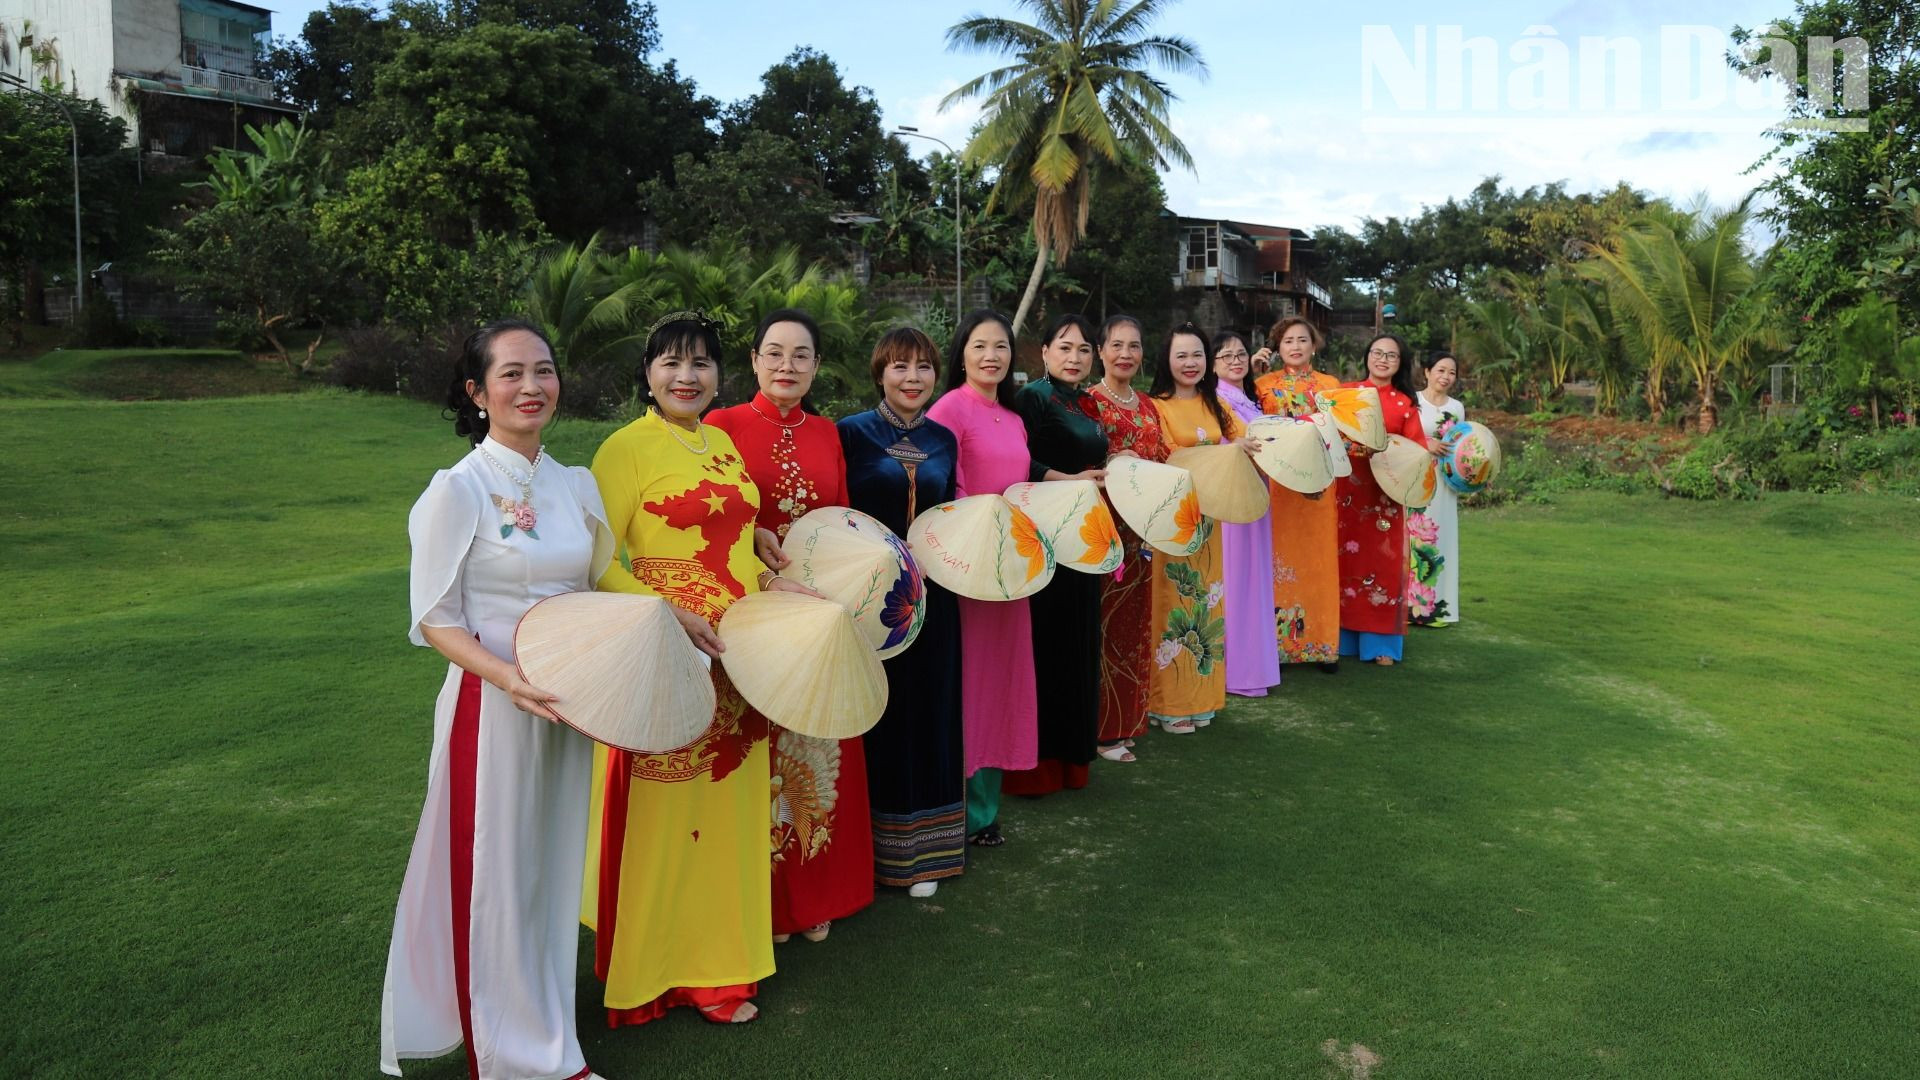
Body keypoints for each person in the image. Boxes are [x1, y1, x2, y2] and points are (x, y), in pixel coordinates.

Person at [381, 320, 611, 1080]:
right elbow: (437, 622)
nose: (532, 387)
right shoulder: (458, 490)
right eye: (511, 374)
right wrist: (509, 679)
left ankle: (546, 1022)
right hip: (497, 706)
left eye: (543, 371)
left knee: (550, 866)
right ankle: (518, 1056)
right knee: (499, 876)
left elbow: (591, 588)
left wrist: (668, 616)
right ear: (478, 393)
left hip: (570, 702)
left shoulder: (573, 483)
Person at [584, 313, 815, 1027]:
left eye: (701, 364)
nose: (686, 376)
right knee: (664, 815)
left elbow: (734, 537)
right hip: (666, 659)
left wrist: (767, 555)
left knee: (727, 818)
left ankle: (721, 967)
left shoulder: (718, 443)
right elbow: (596, 564)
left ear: (721, 374)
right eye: (670, 363)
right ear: (647, 374)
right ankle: (656, 973)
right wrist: (668, 612)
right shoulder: (623, 450)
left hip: (737, 662)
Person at [708, 309, 873, 945]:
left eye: (800, 355)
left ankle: (813, 895)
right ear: (752, 361)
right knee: (757, 751)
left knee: (817, 746)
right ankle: (764, 899)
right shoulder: (721, 427)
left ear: (817, 366)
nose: (786, 365)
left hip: (819, 615)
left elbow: (843, 523)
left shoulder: (828, 432)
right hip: (748, 614)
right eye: (773, 353)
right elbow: (712, 522)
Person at [837, 328, 966, 898]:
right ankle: (876, 851)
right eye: (899, 367)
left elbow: (948, 511)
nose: (912, 378)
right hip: (869, 600)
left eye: (922, 368)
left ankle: (929, 856)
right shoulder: (851, 433)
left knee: (931, 709)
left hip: (934, 595)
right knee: (879, 710)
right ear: (880, 373)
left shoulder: (943, 438)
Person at [925, 309, 1039, 846]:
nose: (991, 355)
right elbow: (948, 484)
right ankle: (954, 806)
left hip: (1011, 568)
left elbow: (1021, 484)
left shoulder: (1013, 417)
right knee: (968, 679)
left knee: (1002, 680)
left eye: (1000, 346)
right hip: (969, 566)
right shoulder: (950, 409)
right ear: (961, 354)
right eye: (979, 346)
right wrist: (986, 529)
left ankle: (986, 810)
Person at [1003, 314, 1110, 795]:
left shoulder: (1087, 403)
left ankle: (1073, 761)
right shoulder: (1033, 398)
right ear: (1043, 352)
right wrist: (1066, 482)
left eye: (1084, 349)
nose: (1074, 357)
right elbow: (1017, 459)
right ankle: (1035, 767)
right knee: (1046, 646)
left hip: (1082, 535)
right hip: (1043, 532)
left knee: (1079, 643)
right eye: (1065, 348)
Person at [1145, 323, 1244, 733]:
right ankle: (1167, 704)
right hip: (1172, 518)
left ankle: (1201, 698)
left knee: (1206, 603)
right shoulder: (1155, 406)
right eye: (1182, 355)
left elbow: (1244, 437)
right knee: (1172, 605)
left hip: (1209, 518)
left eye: (1198, 355)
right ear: (1167, 360)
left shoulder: (1216, 404)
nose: (1190, 363)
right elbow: (1164, 456)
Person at [1083, 313, 1169, 761]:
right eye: (1116, 345)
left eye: (1133, 346)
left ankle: (1125, 721)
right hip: (1101, 529)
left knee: (1135, 626)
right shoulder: (1089, 403)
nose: (1125, 354)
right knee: (1103, 626)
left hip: (1142, 532)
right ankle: (1100, 729)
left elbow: (1164, 456)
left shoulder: (1149, 406)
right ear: (1100, 350)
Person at [1253, 316, 1342, 672]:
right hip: (1278, 485)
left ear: (1314, 345)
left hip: (1319, 484)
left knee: (1319, 561)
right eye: (1287, 340)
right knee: (1279, 562)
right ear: (1277, 347)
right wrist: (1251, 372)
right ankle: (1280, 646)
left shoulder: (1330, 385)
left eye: (1302, 339)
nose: (1295, 346)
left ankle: (1322, 645)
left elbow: (1342, 429)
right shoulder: (1261, 384)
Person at [1335, 332, 1429, 665]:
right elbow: (1324, 428)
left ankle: (1381, 646)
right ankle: (1342, 637)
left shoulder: (1405, 403)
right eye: (1377, 352)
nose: (1383, 359)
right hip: (1346, 491)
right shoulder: (1345, 393)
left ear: (1400, 363)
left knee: (1383, 564)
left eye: (1391, 355)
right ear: (1367, 356)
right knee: (1344, 563)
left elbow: (1416, 450)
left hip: (1385, 494)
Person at [1212, 329, 1282, 698]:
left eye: (1240, 354)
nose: (1235, 360)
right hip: (1233, 495)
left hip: (1257, 491)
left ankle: (1253, 666)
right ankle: (1235, 671)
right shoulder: (1217, 399)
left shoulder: (1245, 398)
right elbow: (1218, 441)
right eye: (1226, 356)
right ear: (1212, 364)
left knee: (1253, 577)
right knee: (1236, 578)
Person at [1408, 351, 1466, 627]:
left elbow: (1462, 444)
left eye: (1451, 372)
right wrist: (1425, 443)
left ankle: (1437, 609)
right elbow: (1401, 436)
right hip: (1416, 477)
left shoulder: (1457, 408)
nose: (1445, 376)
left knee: (1441, 539)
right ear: (1427, 372)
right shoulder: (1413, 401)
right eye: (1440, 370)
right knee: (1412, 539)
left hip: (1445, 480)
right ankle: (1408, 608)